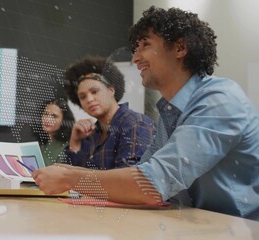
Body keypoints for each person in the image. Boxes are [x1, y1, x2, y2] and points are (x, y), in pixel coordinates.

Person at [33, 6, 259, 220]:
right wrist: (69, 170)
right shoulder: (171, 112)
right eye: (135, 48)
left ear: (180, 48)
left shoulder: (218, 100)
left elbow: (150, 183)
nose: (135, 58)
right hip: (202, 225)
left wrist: (69, 177)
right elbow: (141, 172)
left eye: (145, 45)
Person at [63, 55, 155, 170]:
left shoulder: (135, 124)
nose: (89, 99)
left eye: (95, 91)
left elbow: (129, 181)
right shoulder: (90, 134)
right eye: (83, 97)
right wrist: (75, 142)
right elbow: (70, 178)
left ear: (111, 90)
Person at [35, 98, 74, 166]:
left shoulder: (68, 147)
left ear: (64, 120)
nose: (48, 119)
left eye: (54, 116)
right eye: (45, 114)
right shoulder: (42, 144)